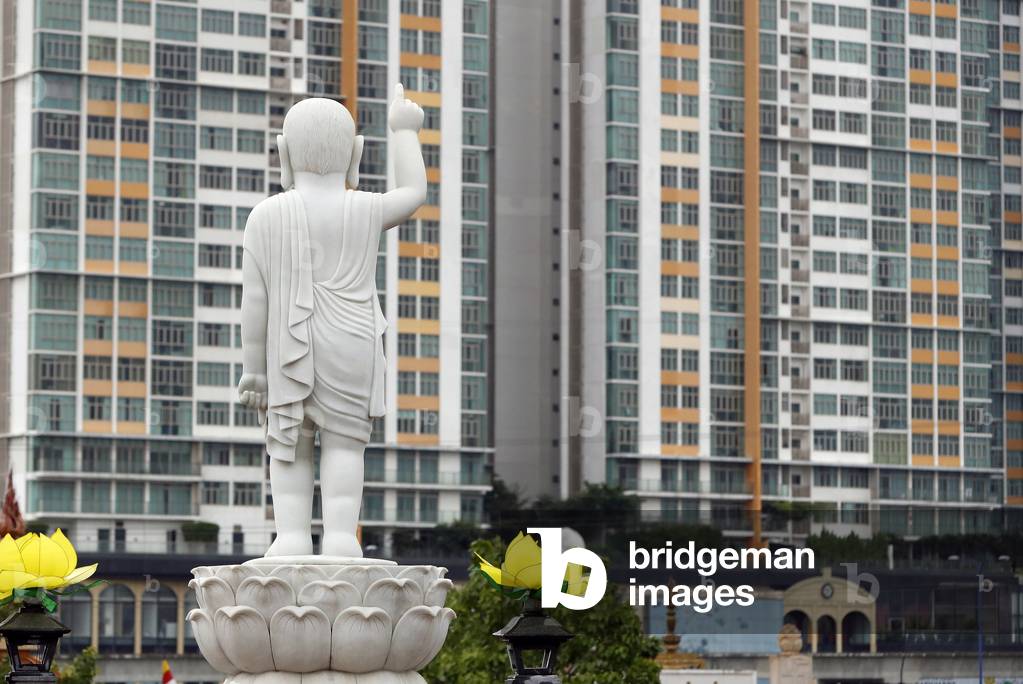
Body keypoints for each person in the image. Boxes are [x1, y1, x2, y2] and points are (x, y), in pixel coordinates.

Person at [237, 85, 426, 557]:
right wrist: (404, 131)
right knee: (345, 445)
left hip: (288, 344)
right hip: (353, 342)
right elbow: (414, 193)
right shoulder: (364, 208)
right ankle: (342, 537)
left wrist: (254, 370)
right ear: (356, 153)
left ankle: (292, 537)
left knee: (291, 444)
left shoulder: (265, 216)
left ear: (283, 152)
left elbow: (254, 301)